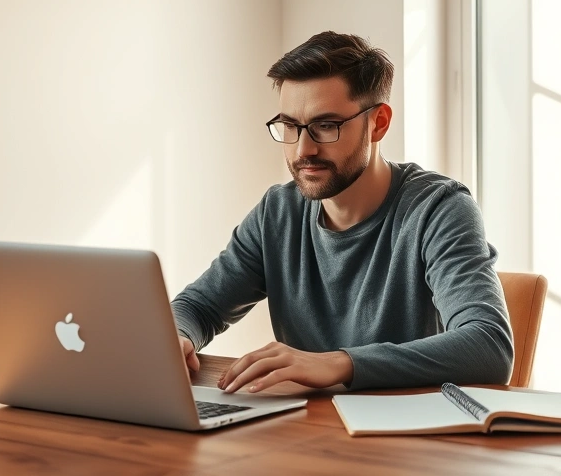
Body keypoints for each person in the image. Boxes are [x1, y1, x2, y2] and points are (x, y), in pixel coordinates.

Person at [170, 31, 513, 394]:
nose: (304, 149)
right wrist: (177, 336)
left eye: (326, 126)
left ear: (378, 123)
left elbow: (488, 345)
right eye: (290, 126)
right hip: (309, 430)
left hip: (410, 439)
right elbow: (199, 305)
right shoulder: (279, 213)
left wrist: (338, 363)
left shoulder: (439, 209)